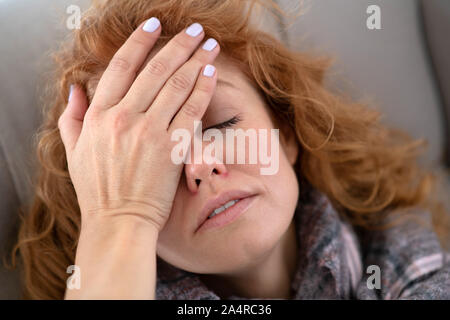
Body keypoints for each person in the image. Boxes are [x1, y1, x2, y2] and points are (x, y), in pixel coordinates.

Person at [10, 0, 450, 299]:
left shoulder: (401, 258)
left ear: (287, 132)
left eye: (222, 125)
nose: (201, 164)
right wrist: (119, 220)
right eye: (156, 159)